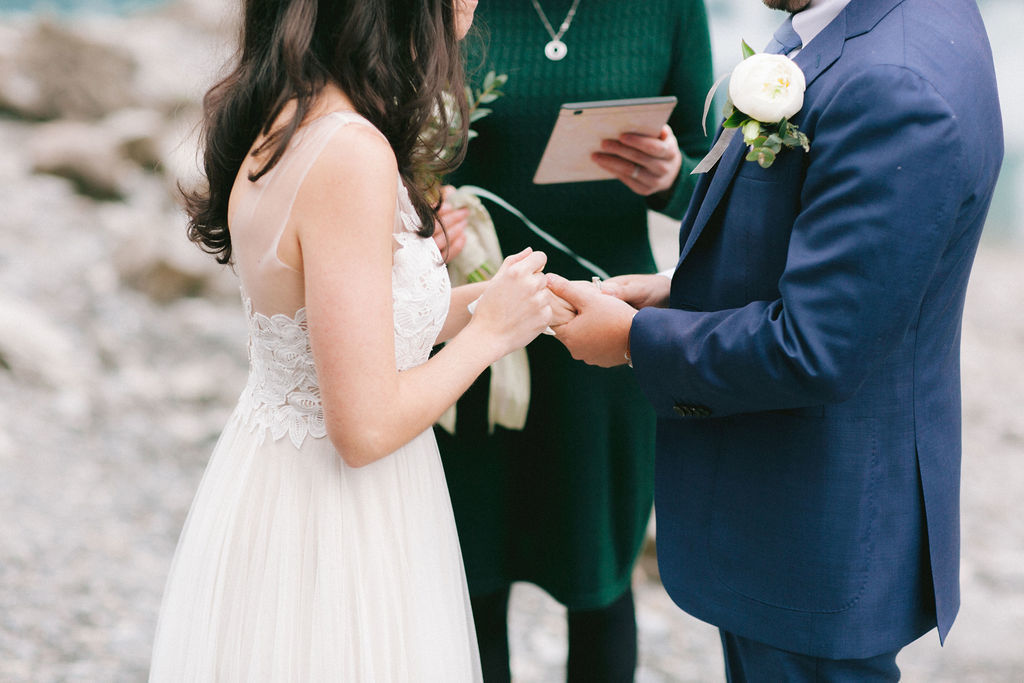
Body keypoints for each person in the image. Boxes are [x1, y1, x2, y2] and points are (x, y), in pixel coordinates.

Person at [547, 0, 1003, 679]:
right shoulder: (884, 19)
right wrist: (678, 290)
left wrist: (636, 340)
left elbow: (815, 346)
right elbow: (848, 268)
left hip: (817, 525)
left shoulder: (893, 84)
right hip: (803, 504)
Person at [147, 1, 562, 680]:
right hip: (335, 513)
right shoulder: (349, 153)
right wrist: (489, 336)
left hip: (281, 475)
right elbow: (364, 426)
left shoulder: (288, 115)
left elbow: (360, 325)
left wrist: (499, 301)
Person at [431, 2, 713, 680]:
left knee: (600, 582)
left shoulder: (670, 7)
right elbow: (374, 137)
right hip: (470, 324)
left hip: (608, 332)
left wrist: (674, 178)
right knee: (466, 579)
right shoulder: (451, 5)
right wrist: (418, 204)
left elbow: (720, 179)